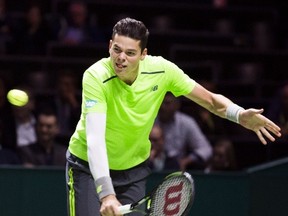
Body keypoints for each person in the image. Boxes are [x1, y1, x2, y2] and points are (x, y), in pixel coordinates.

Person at [66, 17, 281, 216]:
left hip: (132, 170)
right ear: (109, 46)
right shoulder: (95, 76)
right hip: (87, 167)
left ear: (143, 54)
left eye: (130, 53)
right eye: (117, 49)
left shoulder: (162, 70)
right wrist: (106, 193)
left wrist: (240, 114)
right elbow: (95, 140)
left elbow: (210, 100)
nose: (121, 58)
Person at [156, 92, 213, 171]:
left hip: (178, 167)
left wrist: (186, 161)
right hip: (153, 165)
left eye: (167, 103)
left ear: (177, 105)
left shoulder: (186, 122)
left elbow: (206, 149)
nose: (162, 107)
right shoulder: (149, 120)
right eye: (160, 102)